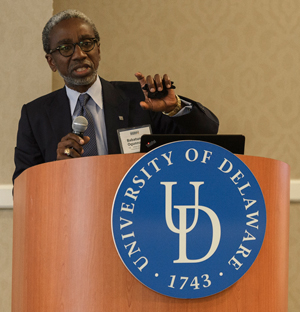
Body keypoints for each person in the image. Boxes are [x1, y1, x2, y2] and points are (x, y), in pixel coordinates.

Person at [13, 9, 219, 182]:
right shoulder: (35, 115)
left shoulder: (142, 100)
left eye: (86, 43)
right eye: (66, 48)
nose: (79, 54)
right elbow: (22, 189)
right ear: (51, 61)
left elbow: (209, 132)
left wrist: (175, 107)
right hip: (69, 223)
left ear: (98, 50)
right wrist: (55, 170)